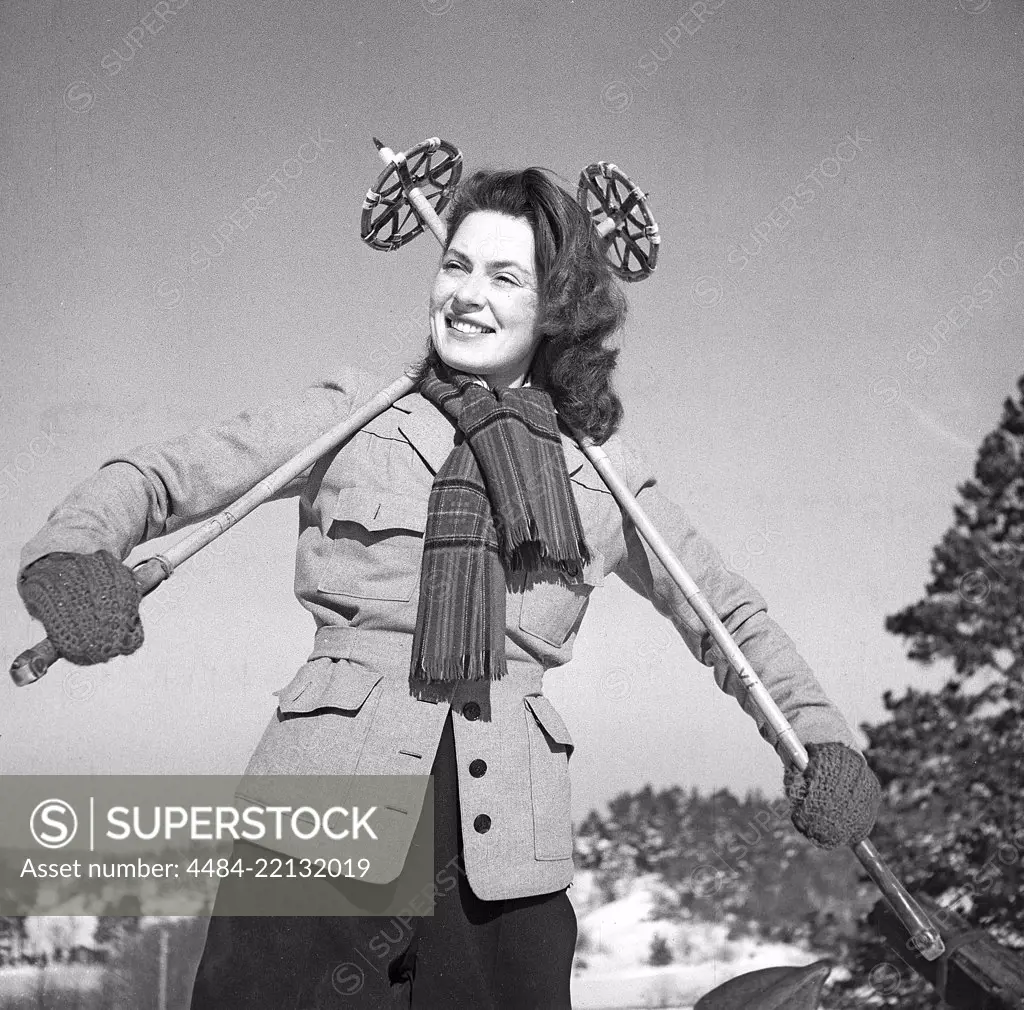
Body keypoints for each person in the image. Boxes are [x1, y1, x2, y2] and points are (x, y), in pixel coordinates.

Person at [17, 167, 881, 1008]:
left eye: (506, 276)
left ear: (561, 308)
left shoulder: (604, 473)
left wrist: (819, 741)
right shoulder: (355, 412)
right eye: (455, 264)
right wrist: (74, 555)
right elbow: (160, 474)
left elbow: (728, 616)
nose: (465, 294)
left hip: (508, 854)